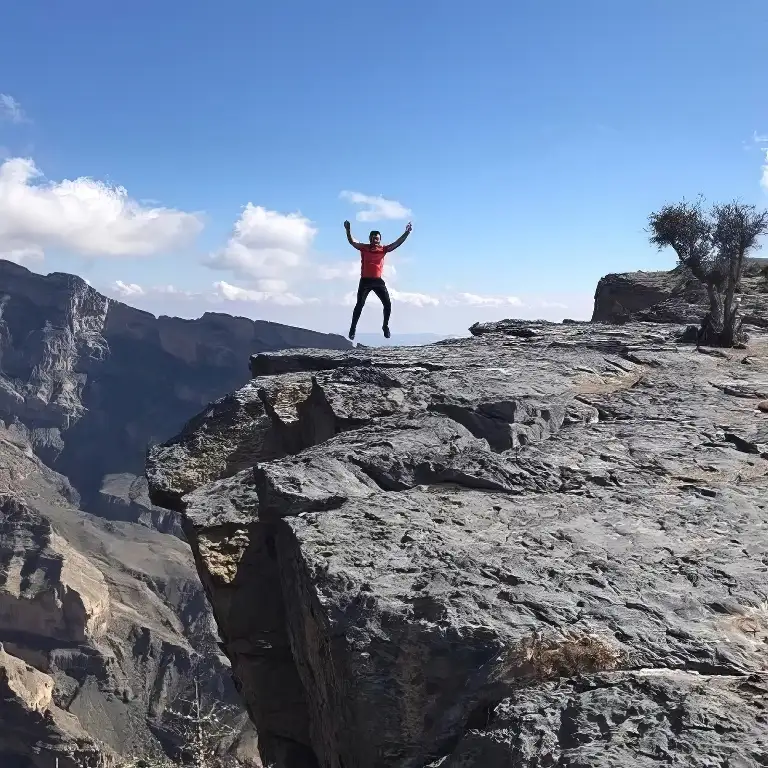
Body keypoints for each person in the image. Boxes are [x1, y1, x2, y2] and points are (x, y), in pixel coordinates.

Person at [344, 220, 412, 340]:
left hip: (378, 281)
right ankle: (353, 329)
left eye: (377, 238)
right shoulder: (364, 248)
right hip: (365, 281)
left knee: (387, 304)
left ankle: (385, 326)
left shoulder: (383, 249)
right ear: (370, 239)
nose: (375, 240)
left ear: (379, 239)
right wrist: (348, 230)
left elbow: (397, 243)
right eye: (373, 238)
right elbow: (352, 242)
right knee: (359, 305)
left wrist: (406, 233)